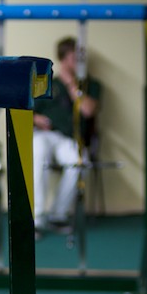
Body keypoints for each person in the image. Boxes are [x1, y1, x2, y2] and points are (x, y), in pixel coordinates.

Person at [31, 36, 100, 233]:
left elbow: (88, 110)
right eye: (74, 57)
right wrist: (37, 119)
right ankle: (37, 218)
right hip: (44, 135)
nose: (79, 61)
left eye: (81, 57)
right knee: (37, 154)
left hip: (68, 138)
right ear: (63, 59)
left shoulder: (90, 85)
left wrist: (72, 86)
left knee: (81, 161)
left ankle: (58, 215)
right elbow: (28, 112)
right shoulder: (46, 84)